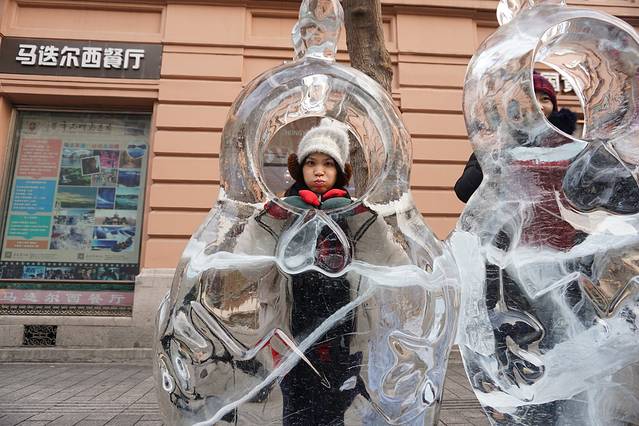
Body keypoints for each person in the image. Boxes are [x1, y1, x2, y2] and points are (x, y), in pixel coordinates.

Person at [454, 72, 578, 203]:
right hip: (506, 216)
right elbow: (464, 192)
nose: (539, 106)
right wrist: (489, 158)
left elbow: (581, 195)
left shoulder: (568, 145)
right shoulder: (499, 142)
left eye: (545, 99)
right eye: (531, 99)